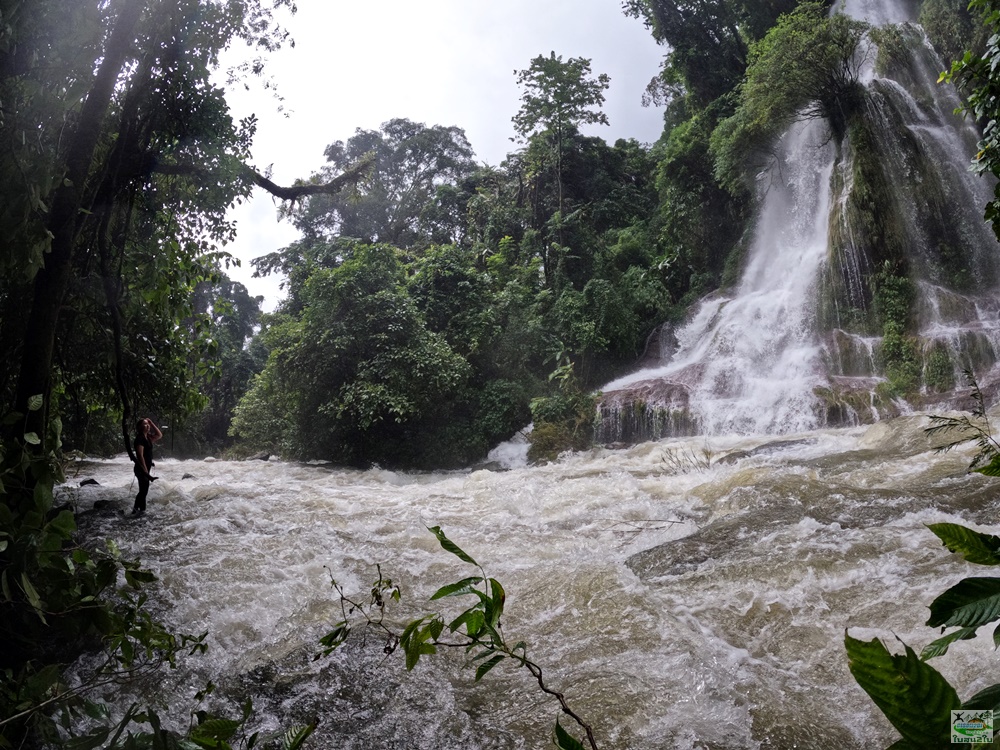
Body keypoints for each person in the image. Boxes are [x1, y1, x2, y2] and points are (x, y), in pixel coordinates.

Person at [132, 417, 163, 515]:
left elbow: (159, 435)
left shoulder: (148, 437)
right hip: (141, 469)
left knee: (143, 490)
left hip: (146, 469)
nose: (148, 425)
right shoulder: (140, 438)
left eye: (148, 424)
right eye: (145, 424)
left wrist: (151, 422)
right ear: (140, 427)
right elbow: (140, 456)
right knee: (143, 491)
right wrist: (146, 472)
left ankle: (139, 511)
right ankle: (137, 511)